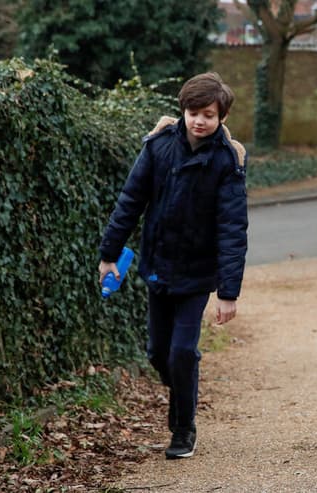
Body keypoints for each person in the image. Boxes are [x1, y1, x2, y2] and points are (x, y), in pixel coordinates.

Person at [97, 72, 248, 460]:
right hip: (157, 266)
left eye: (209, 115)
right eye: (194, 112)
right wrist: (108, 254)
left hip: (197, 274)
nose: (200, 120)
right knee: (156, 353)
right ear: (182, 110)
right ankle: (181, 389)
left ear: (222, 117)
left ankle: (183, 429)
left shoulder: (226, 161)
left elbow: (232, 228)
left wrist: (228, 293)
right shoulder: (158, 147)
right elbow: (130, 201)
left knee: (183, 351)